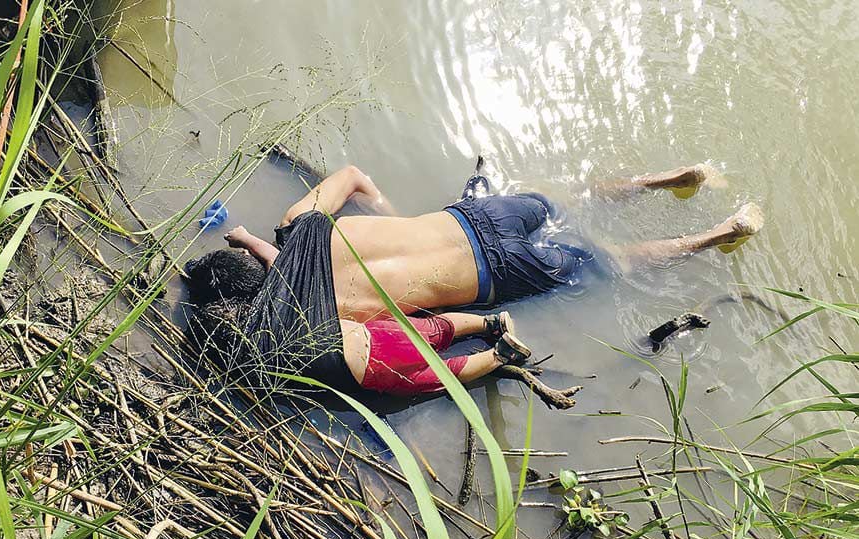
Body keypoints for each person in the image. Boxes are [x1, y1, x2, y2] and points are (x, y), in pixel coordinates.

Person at [183, 163, 764, 395]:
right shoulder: (299, 224)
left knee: (611, 260)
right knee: (566, 201)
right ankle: (672, 179)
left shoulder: (329, 323)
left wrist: (488, 347)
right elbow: (355, 176)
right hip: (475, 219)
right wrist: (395, 216)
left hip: (494, 275)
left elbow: (423, 336)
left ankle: (716, 234)